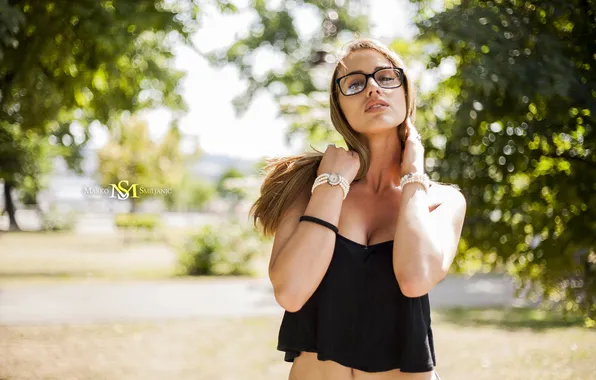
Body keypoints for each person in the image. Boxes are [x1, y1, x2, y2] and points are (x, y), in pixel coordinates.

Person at [250, 38, 467, 380]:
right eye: (354, 83)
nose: (372, 88)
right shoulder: (307, 187)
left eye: (386, 77)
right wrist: (333, 182)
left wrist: (413, 176)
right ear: (339, 107)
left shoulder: (443, 201)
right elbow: (291, 292)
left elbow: (414, 279)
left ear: (405, 92)